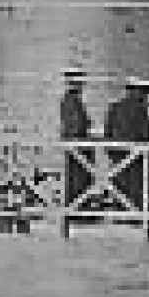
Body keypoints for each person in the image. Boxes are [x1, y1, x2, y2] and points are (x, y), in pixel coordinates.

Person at [103, 78, 149, 211]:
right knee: (135, 186)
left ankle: (120, 206)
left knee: (120, 184)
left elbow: (108, 132)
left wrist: (110, 151)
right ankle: (135, 209)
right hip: (134, 156)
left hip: (118, 154)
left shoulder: (114, 107)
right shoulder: (140, 110)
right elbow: (145, 134)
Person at [59, 68, 92, 211]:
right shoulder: (71, 101)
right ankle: (77, 206)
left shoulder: (70, 100)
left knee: (76, 178)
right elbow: (77, 125)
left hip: (75, 145)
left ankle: (77, 204)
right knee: (76, 178)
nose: (82, 86)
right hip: (76, 146)